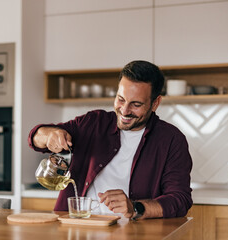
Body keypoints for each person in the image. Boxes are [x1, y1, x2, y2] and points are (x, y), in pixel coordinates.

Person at [28, 60, 192, 219]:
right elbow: (35, 138)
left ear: (155, 103)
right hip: (77, 226)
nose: (125, 110)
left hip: (132, 232)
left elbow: (180, 200)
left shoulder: (171, 140)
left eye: (136, 104)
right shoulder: (93, 122)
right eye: (121, 99)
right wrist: (49, 134)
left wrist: (135, 208)